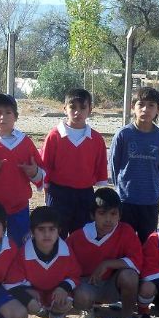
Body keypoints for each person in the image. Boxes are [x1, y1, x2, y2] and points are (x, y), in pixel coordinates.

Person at [67, 187, 154, 318]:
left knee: (130, 275)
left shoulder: (126, 231)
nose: (108, 219)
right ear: (92, 215)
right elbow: (65, 267)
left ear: (120, 215)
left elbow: (137, 261)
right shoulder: (77, 237)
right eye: (102, 213)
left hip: (113, 286)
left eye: (113, 214)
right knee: (80, 294)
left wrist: (107, 264)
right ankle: (87, 310)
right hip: (87, 285)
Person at [40, 88, 108, 238]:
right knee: (57, 237)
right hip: (59, 194)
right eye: (73, 107)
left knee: (82, 237)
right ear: (65, 109)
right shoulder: (54, 136)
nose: (77, 112)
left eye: (83, 108)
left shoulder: (96, 139)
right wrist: (47, 193)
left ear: (90, 110)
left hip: (85, 195)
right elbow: (45, 166)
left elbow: (101, 167)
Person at [4, 206, 81, 318]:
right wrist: (27, 297)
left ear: (59, 231)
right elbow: (10, 284)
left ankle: (56, 316)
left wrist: (64, 287)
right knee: (18, 316)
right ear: (32, 232)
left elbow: (75, 275)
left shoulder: (66, 251)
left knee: (66, 302)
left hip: (54, 292)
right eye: (41, 229)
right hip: (33, 294)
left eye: (52, 229)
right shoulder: (23, 253)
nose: (47, 234)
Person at [0, 93, 44, 246]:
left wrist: (34, 172)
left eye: (8, 112)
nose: (3, 117)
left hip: (19, 207)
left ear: (16, 116)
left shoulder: (26, 143)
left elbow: (42, 175)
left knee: (19, 246)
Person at [109, 86, 159, 243]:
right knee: (123, 241)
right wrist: (121, 188)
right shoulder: (123, 134)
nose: (145, 109)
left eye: (151, 105)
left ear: (158, 109)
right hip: (126, 199)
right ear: (133, 107)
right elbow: (114, 165)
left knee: (147, 242)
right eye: (141, 104)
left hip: (150, 199)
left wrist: (151, 182)